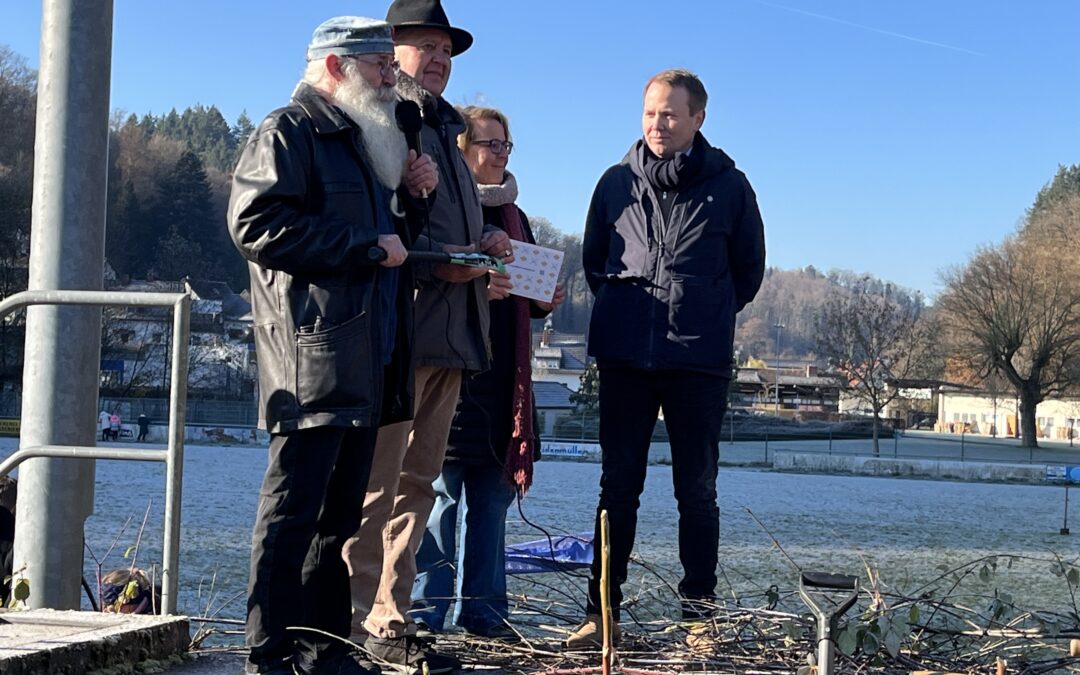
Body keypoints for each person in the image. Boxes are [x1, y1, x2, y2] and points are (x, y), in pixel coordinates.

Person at [227, 16, 437, 675]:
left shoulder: (369, 142)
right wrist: (365, 245)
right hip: (311, 352)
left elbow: (393, 243)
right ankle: (267, 649)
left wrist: (413, 197)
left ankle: (323, 650)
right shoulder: (288, 130)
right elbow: (254, 223)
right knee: (292, 511)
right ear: (338, 68)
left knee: (338, 518)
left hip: (367, 352)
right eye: (380, 65)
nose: (390, 77)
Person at [567, 69, 766, 648]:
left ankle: (698, 617)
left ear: (698, 118)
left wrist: (705, 309)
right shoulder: (613, 184)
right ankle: (602, 613)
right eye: (650, 112)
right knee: (616, 488)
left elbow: (748, 272)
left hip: (697, 362)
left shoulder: (731, 188)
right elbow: (594, 264)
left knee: (697, 492)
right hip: (626, 357)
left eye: (671, 114)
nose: (658, 123)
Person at [343, 2, 512, 673]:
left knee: (418, 484)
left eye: (446, 48)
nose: (439, 59)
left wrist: (489, 240)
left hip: (453, 334)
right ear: (392, 50)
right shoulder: (383, 116)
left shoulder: (443, 125)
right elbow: (378, 228)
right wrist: (440, 260)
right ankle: (357, 619)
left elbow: (446, 223)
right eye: (425, 46)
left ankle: (394, 612)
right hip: (402, 329)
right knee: (378, 483)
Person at [410, 107, 564, 639]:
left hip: (503, 392)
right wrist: (474, 283)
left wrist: (542, 303)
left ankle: (485, 616)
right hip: (450, 378)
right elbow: (424, 279)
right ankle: (423, 616)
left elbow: (519, 301)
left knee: (491, 511)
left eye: (505, 145)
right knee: (437, 507)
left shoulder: (518, 219)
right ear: (462, 149)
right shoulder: (439, 210)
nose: (499, 154)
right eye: (488, 144)